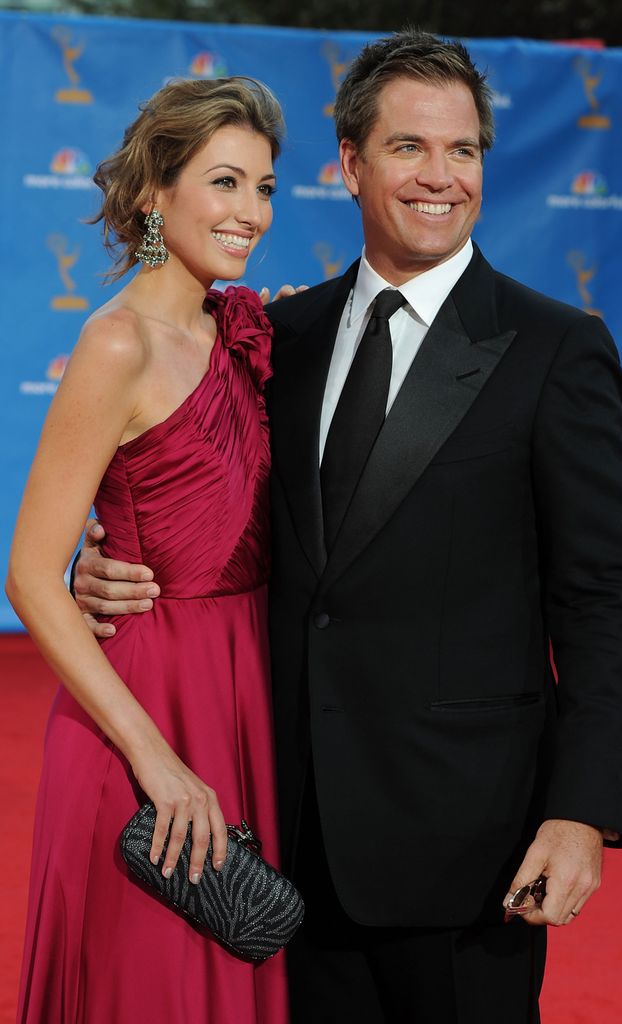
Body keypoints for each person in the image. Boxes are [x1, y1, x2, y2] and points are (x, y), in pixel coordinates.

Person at [72, 31, 622, 1024]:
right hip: (289, 831)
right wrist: (105, 558)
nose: (441, 177)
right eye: (410, 149)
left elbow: (601, 596)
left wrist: (582, 809)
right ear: (349, 165)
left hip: (470, 849)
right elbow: (210, 507)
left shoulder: (557, 347)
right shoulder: (276, 338)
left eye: (462, 150)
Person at [6, 77, 290, 1023]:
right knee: (152, 985)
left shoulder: (244, 330)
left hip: (245, 689)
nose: (250, 211)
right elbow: (30, 576)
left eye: (264, 186)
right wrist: (157, 761)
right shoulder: (115, 345)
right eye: (224, 182)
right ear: (152, 195)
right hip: (144, 711)